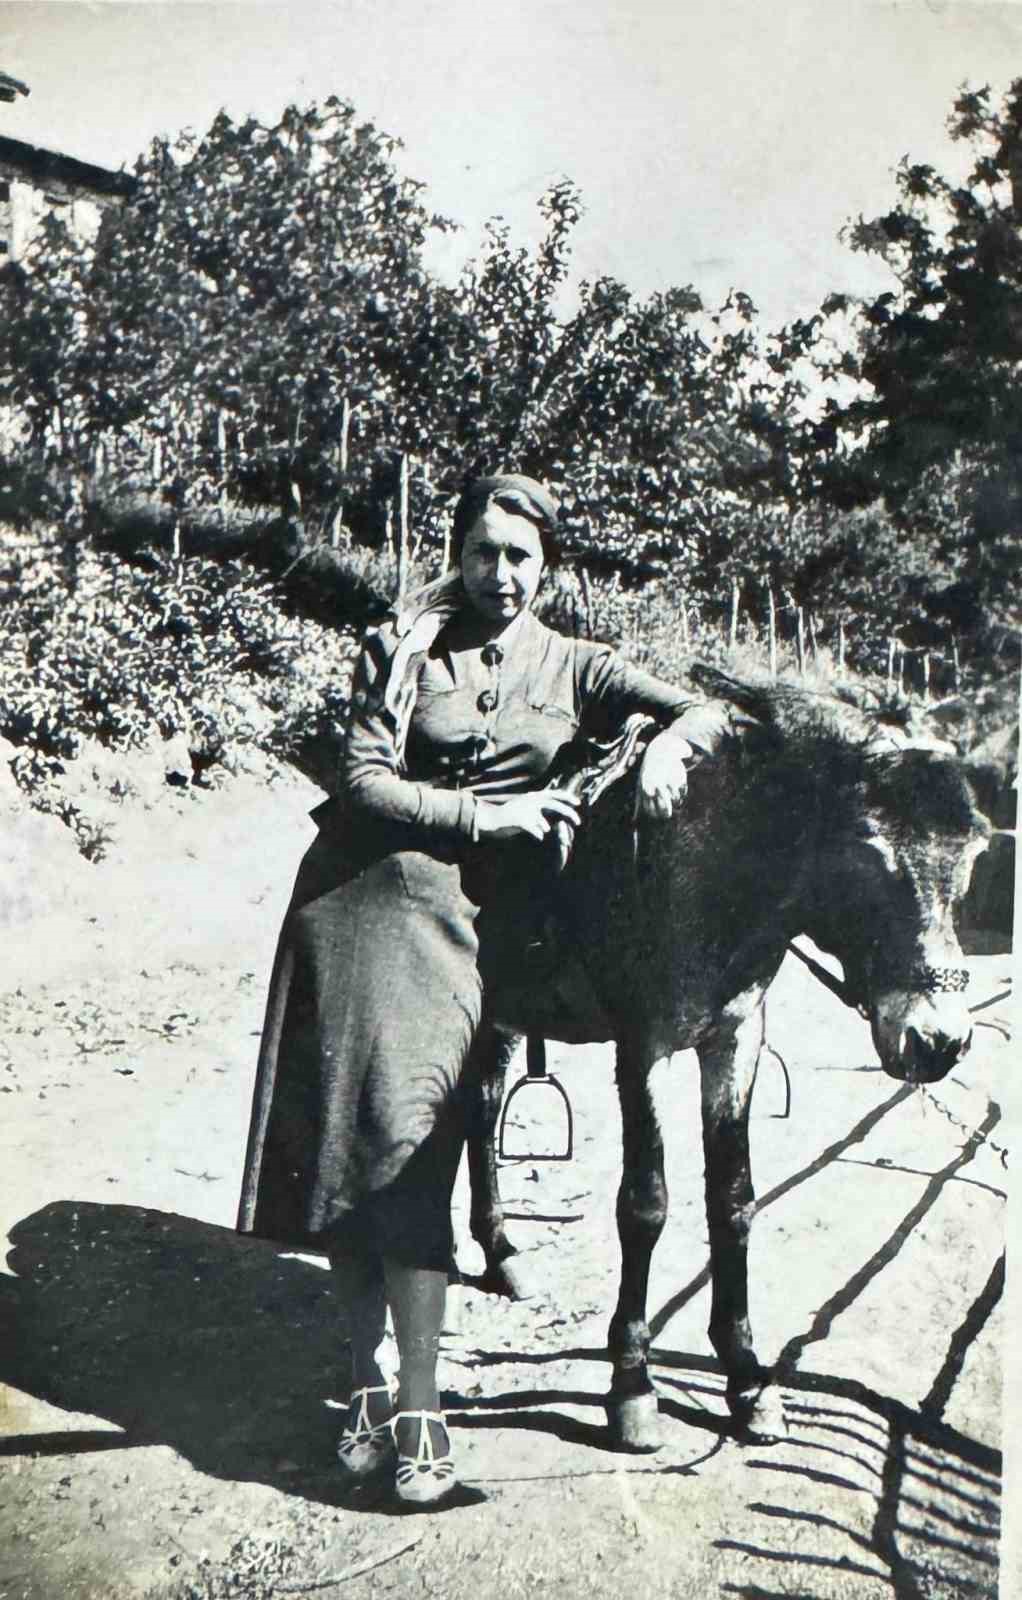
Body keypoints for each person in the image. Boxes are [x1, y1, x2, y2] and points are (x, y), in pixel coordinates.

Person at [237, 473, 733, 1507]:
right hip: (368, 898)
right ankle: (401, 1399)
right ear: (456, 554)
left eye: (518, 556)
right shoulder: (403, 645)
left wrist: (657, 756)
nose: (499, 575)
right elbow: (364, 780)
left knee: (415, 1146)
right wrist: (493, 821)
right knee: (363, 1149)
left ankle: (395, 1393)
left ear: (547, 566)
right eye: (481, 553)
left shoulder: (580, 665)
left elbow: (700, 712)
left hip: (479, 930)